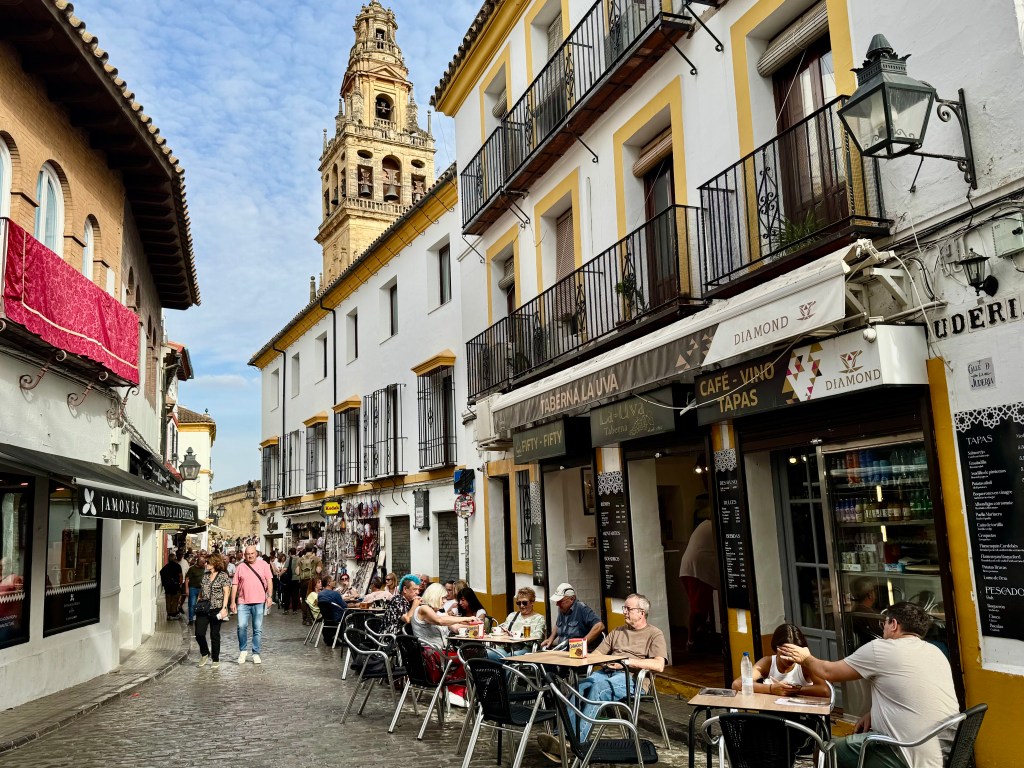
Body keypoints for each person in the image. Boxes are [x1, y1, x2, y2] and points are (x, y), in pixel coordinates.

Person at [779, 602, 958, 768]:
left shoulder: (882, 648)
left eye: (885, 624)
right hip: (945, 753)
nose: (883, 629)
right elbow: (915, 695)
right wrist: (873, 713)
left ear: (894, 624)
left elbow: (828, 672)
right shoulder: (936, 652)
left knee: (826, 750)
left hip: (906, 753)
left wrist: (804, 658)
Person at [538, 593, 665, 759]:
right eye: (624, 608)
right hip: (607, 672)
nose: (624, 612)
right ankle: (559, 737)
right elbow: (597, 654)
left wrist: (626, 663)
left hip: (632, 679)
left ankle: (576, 744)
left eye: (628, 609)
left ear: (642, 612)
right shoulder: (618, 631)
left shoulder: (654, 634)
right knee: (578, 687)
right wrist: (595, 659)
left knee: (598, 688)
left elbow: (659, 665)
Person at [731, 623, 829, 697]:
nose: (790, 658)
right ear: (776, 648)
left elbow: (824, 690)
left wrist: (796, 690)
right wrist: (770, 689)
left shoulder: (804, 663)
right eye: (786, 653)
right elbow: (737, 684)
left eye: (794, 653)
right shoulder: (767, 663)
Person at [679, 516, 719, 652]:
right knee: (698, 609)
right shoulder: (716, 525)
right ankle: (692, 642)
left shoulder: (704, 524)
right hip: (698, 570)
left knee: (701, 607)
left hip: (691, 568)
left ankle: (697, 640)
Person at [231, 545, 273, 664]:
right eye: (248, 554)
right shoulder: (240, 567)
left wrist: (269, 596)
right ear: (244, 555)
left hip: (259, 601)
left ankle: (256, 653)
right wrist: (232, 601)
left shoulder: (264, 565)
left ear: (256, 554)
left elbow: (269, 580)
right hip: (243, 602)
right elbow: (234, 584)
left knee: (257, 628)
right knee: (241, 627)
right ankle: (243, 651)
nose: (250, 556)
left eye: (252, 553)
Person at [540, 583, 604, 650]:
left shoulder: (581, 608)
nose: (557, 604)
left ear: (572, 599)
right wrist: (551, 639)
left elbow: (599, 626)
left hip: (577, 653)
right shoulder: (562, 609)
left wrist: (583, 642)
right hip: (562, 651)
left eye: (560, 601)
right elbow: (558, 624)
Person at [410, 583, 475, 648]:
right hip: (429, 653)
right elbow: (440, 621)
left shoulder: (436, 612)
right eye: (443, 598)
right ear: (435, 597)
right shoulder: (423, 608)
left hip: (440, 651)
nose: (445, 601)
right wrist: (466, 618)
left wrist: (475, 627)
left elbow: (455, 627)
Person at [195, 553, 232, 668]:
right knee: (199, 633)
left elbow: (227, 592)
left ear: (214, 563)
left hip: (216, 608)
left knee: (214, 634)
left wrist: (224, 608)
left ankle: (215, 659)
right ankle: (205, 653)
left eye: (208, 562)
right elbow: (202, 590)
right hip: (203, 608)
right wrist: (197, 602)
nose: (205, 564)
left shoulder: (222, 575)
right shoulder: (205, 575)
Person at [184, 553, 207, 626]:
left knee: (200, 605)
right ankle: (191, 619)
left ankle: (198, 618)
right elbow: (187, 578)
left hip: (201, 589)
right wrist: (187, 589)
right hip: (193, 588)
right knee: (192, 604)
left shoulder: (204, 568)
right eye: (203, 563)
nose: (204, 564)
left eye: (204, 563)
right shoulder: (192, 568)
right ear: (199, 562)